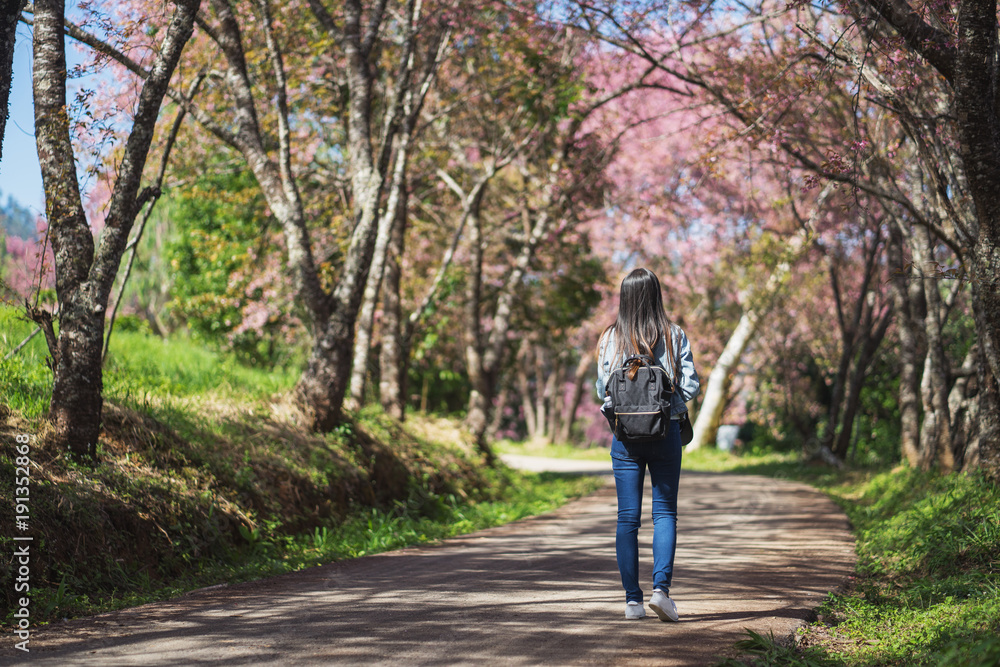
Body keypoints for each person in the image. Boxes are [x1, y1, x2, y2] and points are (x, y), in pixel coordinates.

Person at [596, 267, 700, 621]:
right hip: (665, 432)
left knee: (627, 518)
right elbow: (691, 386)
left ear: (624, 298)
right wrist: (665, 401)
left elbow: (603, 391)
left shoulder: (610, 337)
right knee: (664, 512)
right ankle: (661, 592)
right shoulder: (672, 335)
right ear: (656, 295)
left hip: (625, 438)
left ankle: (632, 602)